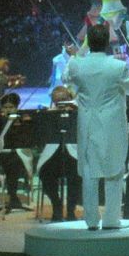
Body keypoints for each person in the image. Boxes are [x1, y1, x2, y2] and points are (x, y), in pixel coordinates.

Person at [64, 23, 129, 230]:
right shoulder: (117, 66)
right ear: (107, 43)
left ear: (89, 42)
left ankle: (91, 221)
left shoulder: (78, 64)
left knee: (89, 172)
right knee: (114, 171)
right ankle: (112, 220)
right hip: (112, 126)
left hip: (87, 125)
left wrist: (74, 57)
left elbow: (64, 77)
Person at [36, 86, 80, 221]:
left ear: (70, 98)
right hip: (53, 154)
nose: (61, 104)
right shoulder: (49, 115)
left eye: (64, 100)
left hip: (73, 154)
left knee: (78, 173)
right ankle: (57, 204)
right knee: (45, 172)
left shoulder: (79, 113)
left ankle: (71, 208)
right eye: (57, 101)